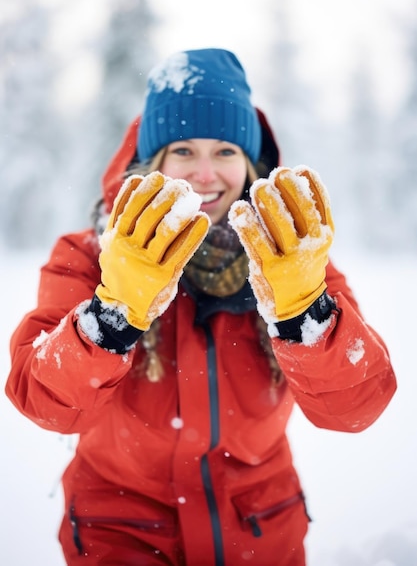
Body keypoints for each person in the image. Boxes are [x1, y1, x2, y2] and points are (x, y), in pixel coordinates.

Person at [6, 48, 396, 566]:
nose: (205, 174)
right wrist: (113, 312)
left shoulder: (293, 257)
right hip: (121, 533)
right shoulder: (89, 256)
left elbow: (355, 408)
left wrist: (305, 313)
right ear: (153, 164)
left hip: (261, 535)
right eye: (184, 151)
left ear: (251, 164)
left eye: (226, 152)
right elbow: (45, 402)